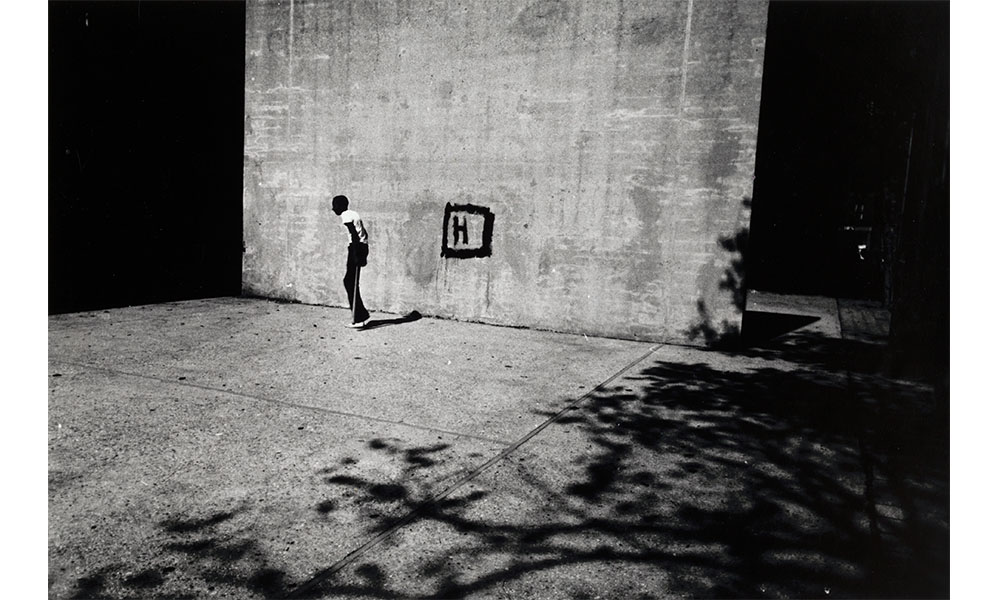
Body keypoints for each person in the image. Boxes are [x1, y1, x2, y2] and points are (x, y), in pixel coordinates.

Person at [331, 194, 370, 328]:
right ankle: (361, 315)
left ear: (341, 206)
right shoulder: (354, 213)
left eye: (335, 205)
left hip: (356, 247)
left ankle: (359, 318)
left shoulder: (345, 215)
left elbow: (354, 234)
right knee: (351, 281)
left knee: (349, 281)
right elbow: (364, 233)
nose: (333, 209)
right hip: (361, 246)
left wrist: (356, 254)